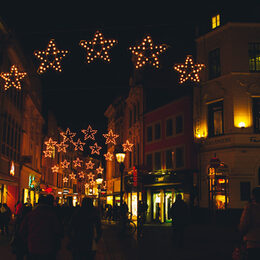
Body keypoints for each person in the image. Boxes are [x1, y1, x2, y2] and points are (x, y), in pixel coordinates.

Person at [19, 194, 62, 260]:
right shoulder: (52, 215)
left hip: (33, 247)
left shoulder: (31, 215)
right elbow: (58, 231)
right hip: (48, 248)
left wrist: (28, 241)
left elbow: (22, 230)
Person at [239, 187, 260, 260]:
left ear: (253, 196)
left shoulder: (250, 208)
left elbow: (244, 225)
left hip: (253, 242)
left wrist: (241, 234)